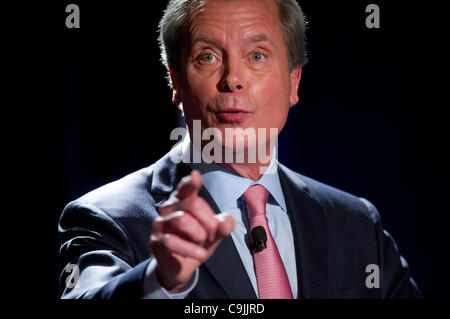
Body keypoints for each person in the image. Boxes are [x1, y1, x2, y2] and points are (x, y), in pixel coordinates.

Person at [58, 0, 422, 299]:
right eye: (208, 57)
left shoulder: (356, 224)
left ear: (294, 81)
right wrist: (160, 278)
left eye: (257, 56)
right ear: (176, 83)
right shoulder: (107, 218)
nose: (233, 78)